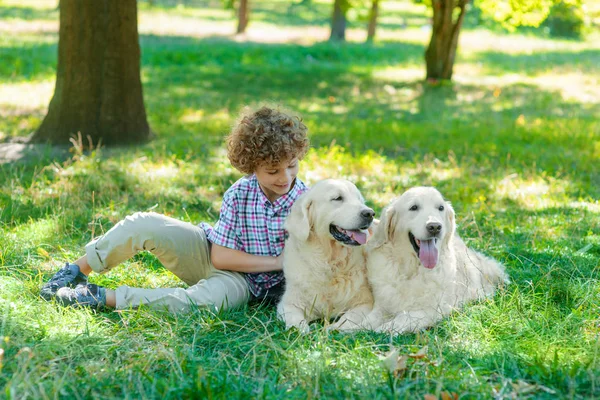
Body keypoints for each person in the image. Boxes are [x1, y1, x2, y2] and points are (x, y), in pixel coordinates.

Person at [40, 106, 310, 313]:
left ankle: (97, 297)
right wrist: (277, 262)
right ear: (252, 166)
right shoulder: (239, 193)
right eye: (272, 170)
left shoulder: (309, 203)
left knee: (205, 301)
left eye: (292, 166)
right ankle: (73, 273)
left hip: (245, 286)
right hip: (208, 252)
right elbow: (220, 258)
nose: (284, 177)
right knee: (144, 223)